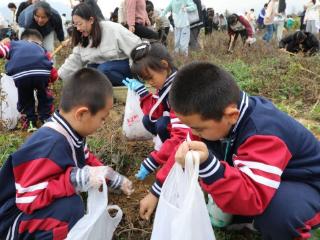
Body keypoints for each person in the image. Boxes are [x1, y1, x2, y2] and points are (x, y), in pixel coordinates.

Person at [167, 61, 320, 240]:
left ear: (231, 116)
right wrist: (158, 190)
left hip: (305, 182)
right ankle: (245, 216)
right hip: (267, 174)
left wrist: (209, 167)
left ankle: (303, 228)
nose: (193, 133)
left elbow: (253, 197)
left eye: (198, 129)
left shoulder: (263, 133)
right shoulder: (216, 119)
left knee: (278, 213)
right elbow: (189, 146)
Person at [0, 68, 134, 240]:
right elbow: (28, 199)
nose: (103, 123)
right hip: (13, 220)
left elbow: (87, 160)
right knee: (69, 209)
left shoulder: (71, 132)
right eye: (102, 118)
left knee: (71, 205)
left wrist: (113, 178)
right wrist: (75, 179)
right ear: (82, 113)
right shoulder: (50, 145)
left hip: (30, 213)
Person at [122, 42, 189, 184]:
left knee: (162, 125)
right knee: (149, 120)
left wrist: (155, 159)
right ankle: (168, 153)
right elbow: (155, 112)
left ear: (164, 65)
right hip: (180, 131)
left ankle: (176, 159)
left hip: (192, 138)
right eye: (145, 80)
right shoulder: (166, 83)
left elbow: (182, 136)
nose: (149, 82)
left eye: (150, 77)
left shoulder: (179, 90)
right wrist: (143, 93)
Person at [58, 3, 141, 86]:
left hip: (123, 67)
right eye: (75, 25)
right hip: (103, 69)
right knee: (88, 73)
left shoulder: (112, 29)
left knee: (103, 70)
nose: (78, 28)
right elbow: (75, 60)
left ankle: (131, 86)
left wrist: (137, 73)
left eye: (80, 24)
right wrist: (59, 75)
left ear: (91, 20)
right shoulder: (82, 37)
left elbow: (136, 47)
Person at [0, 29, 57, 132]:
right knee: (44, 95)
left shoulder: (13, 44)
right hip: (42, 73)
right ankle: (45, 119)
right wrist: (51, 79)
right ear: (39, 42)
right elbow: (51, 68)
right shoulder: (42, 49)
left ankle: (30, 121)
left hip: (20, 74)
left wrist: (3, 44)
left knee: (25, 98)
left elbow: (2, 51)